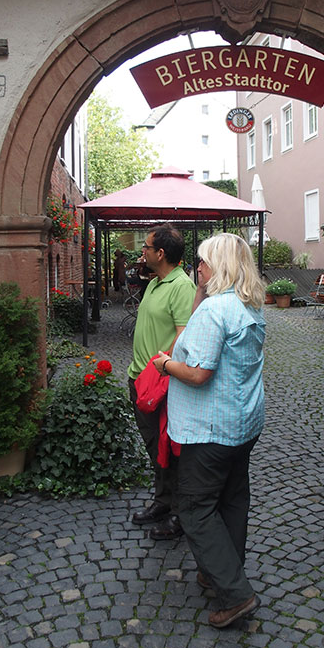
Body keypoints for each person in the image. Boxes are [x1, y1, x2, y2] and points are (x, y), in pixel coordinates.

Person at [153, 233, 265, 628]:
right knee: (232, 500)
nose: (195, 267)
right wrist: (200, 292)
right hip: (243, 424)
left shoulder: (214, 311)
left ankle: (236, 595)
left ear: (217, 266)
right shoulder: (247, 304)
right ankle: (220, 571)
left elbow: (198, 373)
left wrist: (165, 364)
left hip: (210, 429)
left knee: (195, 508)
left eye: (201, 261)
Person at [128, 224, 196, 540]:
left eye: (146, 247)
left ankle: (180, 516)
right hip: (141, 380)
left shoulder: (181, 286)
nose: (142, 251)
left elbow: (184, 339)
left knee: (170, 451)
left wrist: (161, 369)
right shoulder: (157, 282)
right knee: (156, 449)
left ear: (161, 253)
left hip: (160, 385)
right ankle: (163, 502)